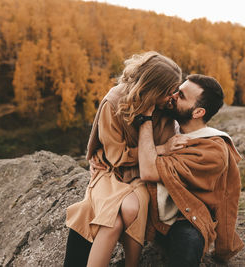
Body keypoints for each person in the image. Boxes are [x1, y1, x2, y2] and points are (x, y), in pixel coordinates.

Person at [64, 51, 184, 267]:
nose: (172, 97)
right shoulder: (113, 103)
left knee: (128, 210)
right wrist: (160, 148)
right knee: (115, 221)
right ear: (153, 89)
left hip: (141, 175)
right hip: (111, 171)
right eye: (169, 91)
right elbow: (115, 156)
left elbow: (168, 152)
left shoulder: (166, 109)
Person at [138, 74, 244, 266]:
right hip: (148, 207)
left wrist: (145, 117)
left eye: (182, 95)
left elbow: (148, 171)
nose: (173, 95)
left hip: (186, 217)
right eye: (177, 90)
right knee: (90, 216)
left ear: (198, 112)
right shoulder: (165, 123)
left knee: (188, 242)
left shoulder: (212, 150)